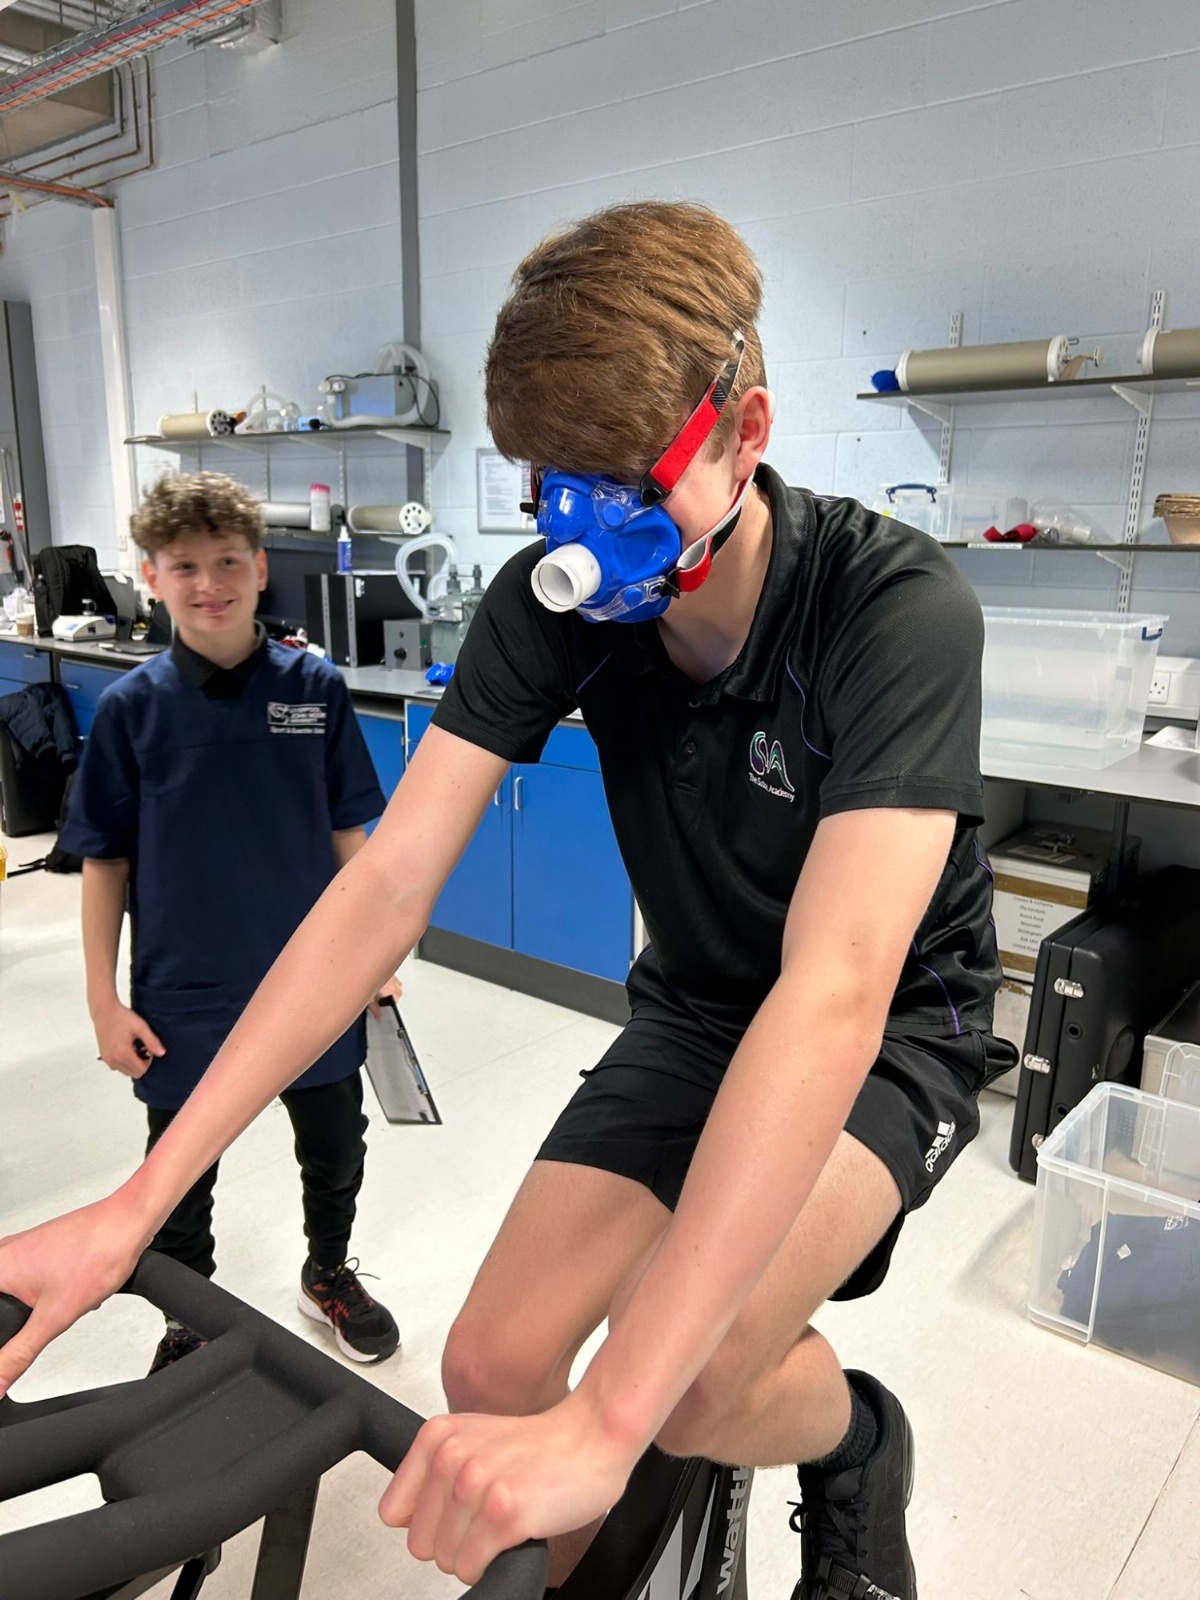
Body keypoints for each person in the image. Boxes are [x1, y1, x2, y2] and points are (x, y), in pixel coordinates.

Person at [0, 204, 1014, 1600]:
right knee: (489, 1365)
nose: (584, 534)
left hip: (892, 1022)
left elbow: (835, 991)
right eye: (552, 486)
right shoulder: (560, 604)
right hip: (700, 1007)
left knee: (690, 1384)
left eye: (624, 485)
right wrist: (140, 1200)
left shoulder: (893, 610)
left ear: (746, 431)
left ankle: (855, 1444)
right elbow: (384, 886)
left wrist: (611, 1418)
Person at [57, 472, 401, 1370]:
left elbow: (350, 835)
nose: (208, 584)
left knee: (335, 1145)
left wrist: (375, 954)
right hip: (185, 991)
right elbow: (104, 862)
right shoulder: (131, 711)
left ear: (259, 568)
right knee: (179, 1174)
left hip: (312, 979)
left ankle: (329, 1272)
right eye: (184, 566)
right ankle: (188, 1316)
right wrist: (102, 1001)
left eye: (227, 563)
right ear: (150, 576)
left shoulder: (313, 689)